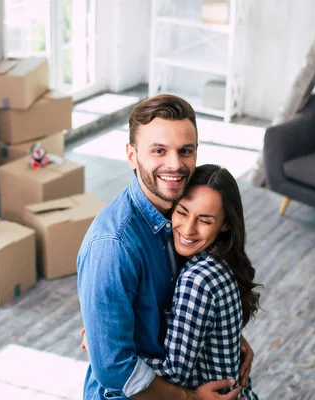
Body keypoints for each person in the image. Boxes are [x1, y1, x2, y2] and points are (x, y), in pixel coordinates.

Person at [77, 94, 253, 400]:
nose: (175, 165)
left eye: (185, 151)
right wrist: (191, 399)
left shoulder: (178, 214)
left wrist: (226, 335)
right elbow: (114, 369)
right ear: (131, 155)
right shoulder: (113, 246)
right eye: (159, 150)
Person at [140, 164, 261, 400]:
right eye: (182, 212)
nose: (187, 229)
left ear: (225, 224)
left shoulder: (197, 280)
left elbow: (175, 373)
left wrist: (108, 348)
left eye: (204, 221)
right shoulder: (217, 261)